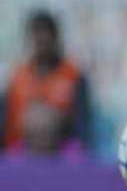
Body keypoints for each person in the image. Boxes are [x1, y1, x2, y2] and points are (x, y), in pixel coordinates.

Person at [1, 9, 92, 158]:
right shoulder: (17, 78)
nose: (42, 42)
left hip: (62, 153)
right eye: (37, 37)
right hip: (19, 154)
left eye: (46, 36)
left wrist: (53, 123)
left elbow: (83, 126)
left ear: (55, 38)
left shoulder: (74, 77)